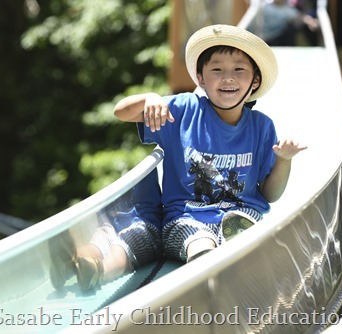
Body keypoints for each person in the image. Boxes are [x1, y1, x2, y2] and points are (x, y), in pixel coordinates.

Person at [113, 24, 307, 263]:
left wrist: (284, 160)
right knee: (198, 239)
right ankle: (206, 263)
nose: (228, 78)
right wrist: (151, 98)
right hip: (186, 217)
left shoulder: (262, 126)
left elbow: (270, 194)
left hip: (239, 213)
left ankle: (234, 252)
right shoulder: (185, 110)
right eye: (217, 69)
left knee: (244, 223)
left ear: (255, 81)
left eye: (239, 69)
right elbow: (121, 112)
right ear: (202, 79)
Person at [49, 168, 162, 292]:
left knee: (103, 245)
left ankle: (70, 263)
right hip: (142, 221)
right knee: (119, 248)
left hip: (114, 219)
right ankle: (97, 269)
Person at [248, 0, 317, 46]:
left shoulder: (288, 10)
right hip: (263, 38)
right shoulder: (264, 6)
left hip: (277, 39)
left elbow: (301, 17)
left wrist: (311, 22)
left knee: (290, 30)